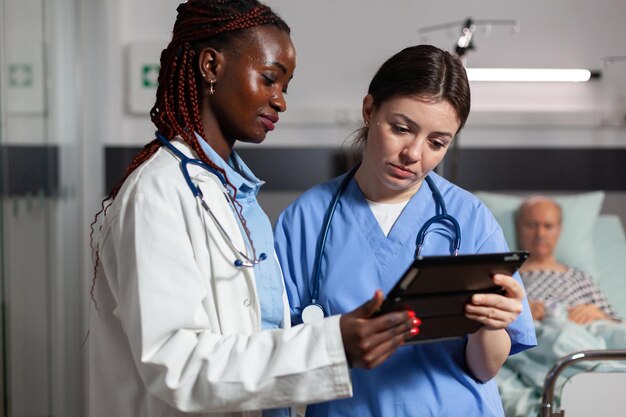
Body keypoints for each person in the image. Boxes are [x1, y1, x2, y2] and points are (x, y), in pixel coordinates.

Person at [87, 2, 417, 416]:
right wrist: (333, 345)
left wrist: (340, 335)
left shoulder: (236, 197)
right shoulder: (158, 193)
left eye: (286, 87)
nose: (280, 102)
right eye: (269, 79)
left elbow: (255, 334)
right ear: (211, 66)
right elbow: (178, 366)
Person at [274, 44, 537, 417]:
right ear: (369, 111)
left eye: (437, 143)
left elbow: (485, 368)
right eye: (401, 129)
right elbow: (278, 357)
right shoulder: (304, 220)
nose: (414, 154)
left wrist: (491, 324)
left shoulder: (470, 218)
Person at [515, 196, 621, 323]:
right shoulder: (506, 276)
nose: (540, 234)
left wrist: (598, 314)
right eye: (532, 225)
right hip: (539, 332)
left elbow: (618, 325)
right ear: (519, 227)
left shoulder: (581, 278)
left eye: (548, 226)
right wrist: (519, 311)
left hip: (588, 332)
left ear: (559, 229)